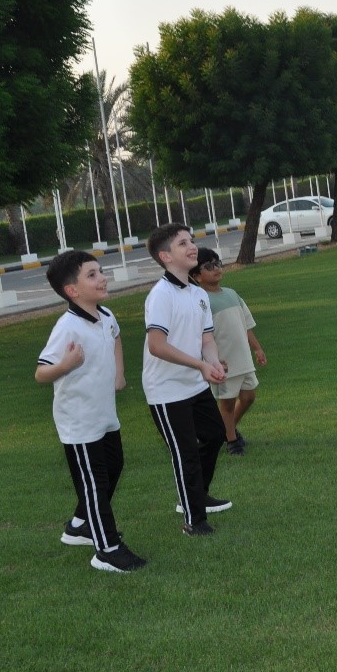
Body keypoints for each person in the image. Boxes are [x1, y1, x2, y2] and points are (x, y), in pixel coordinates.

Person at [35, 250, 147, 572]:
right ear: (72, 291)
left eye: (101, 271)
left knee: (114, 466)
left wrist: (119, 373)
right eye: (93, 275)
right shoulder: (67, 327)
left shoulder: (106, 315)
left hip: (104, 414)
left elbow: (115, 337)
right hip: (79, 420)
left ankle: (80, 525)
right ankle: (107, 550)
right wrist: (67, 364)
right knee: (95, 483)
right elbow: (41, 373)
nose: (102, 278)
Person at [141, 223, 232, 536]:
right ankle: (194, 520)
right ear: (166, 256)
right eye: (183, 243)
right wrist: (200, 366)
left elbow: (206, 339)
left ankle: (195, 496)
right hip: (166, 391)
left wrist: (213, 363)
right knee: (185, 453)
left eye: (191, 241)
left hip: (194, 384)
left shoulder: (197, 293)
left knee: (216, 434)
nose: (192, 246)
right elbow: (157, 345)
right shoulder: (161, 296)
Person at [190, 247, 266, 456]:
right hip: (223, 363)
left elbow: (246, 325)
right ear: (196, 276)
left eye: (218, 263)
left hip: (243, 359)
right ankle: (232, 441)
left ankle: (225, 431)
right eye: (208, 266)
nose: (216, 269)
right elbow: (200, 337)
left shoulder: (232, 294)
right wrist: (211, 360)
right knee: (227, 403)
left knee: (249, 397)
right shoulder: (200, 301)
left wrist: (257, 348)